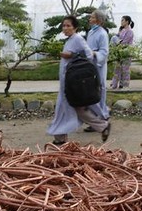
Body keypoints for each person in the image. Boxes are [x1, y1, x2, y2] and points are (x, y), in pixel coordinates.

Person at [47, 15, 111, 144]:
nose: (65, 28)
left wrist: (73, 55)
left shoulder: (78, 38)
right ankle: (101, 127)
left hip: (73, 82)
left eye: (68, 26)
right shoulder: (70, 40)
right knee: (72, 108)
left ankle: (60, 138)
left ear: (75, 28)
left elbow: (88, 54)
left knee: (70, 107)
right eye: (64, 26)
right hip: (67, 81)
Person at [86, 9, 109, 120]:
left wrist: (94, 53)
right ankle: (94, 114)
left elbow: (104, 51)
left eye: (92, 17)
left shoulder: (103, 34)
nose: (90, 19)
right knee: (91, 88)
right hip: (90, 63)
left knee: (100, 87)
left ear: (99, 20)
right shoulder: (90, 32)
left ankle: (101, 114)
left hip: (99, 64)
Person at [110, 15, 135, 90]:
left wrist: (118, 43)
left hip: (126, 52)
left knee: (125, 70)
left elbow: (125, 42)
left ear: (127, 22)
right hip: (120, 52)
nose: (121, 22)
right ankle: (114, 85)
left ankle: (125, 85)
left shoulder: (130, 31)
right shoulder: (122, 30)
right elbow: (117, 37)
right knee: (117, 69)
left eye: (122, 20)